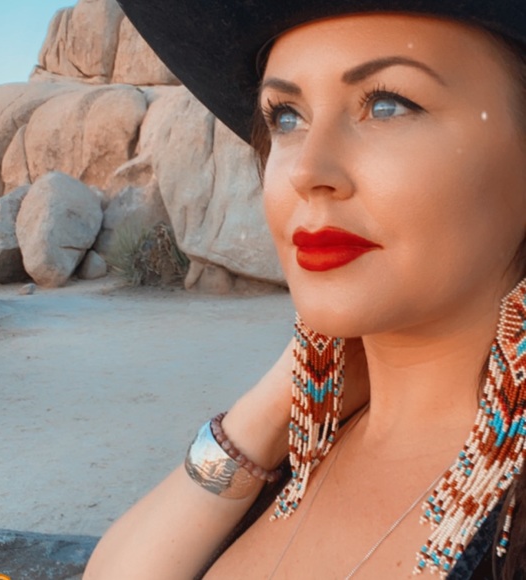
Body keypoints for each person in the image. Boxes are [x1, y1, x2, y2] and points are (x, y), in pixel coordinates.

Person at [84, 1, 526, 578]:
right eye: (287, 117)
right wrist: (270, 409)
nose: (307, 170)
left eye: (387, 105)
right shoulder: (294, 442)